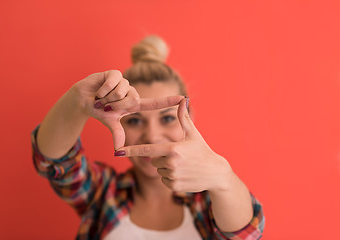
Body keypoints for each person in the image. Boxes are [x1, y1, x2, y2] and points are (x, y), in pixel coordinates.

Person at [31, 35, 265, 240]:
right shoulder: (103, 194)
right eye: (134, 120)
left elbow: (247, 234)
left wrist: (222, 177)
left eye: (166, 119)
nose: (152, 136)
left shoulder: (207, 204)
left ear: (189, 119)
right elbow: (53, 162)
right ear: (118, 123)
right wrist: (76, 101)